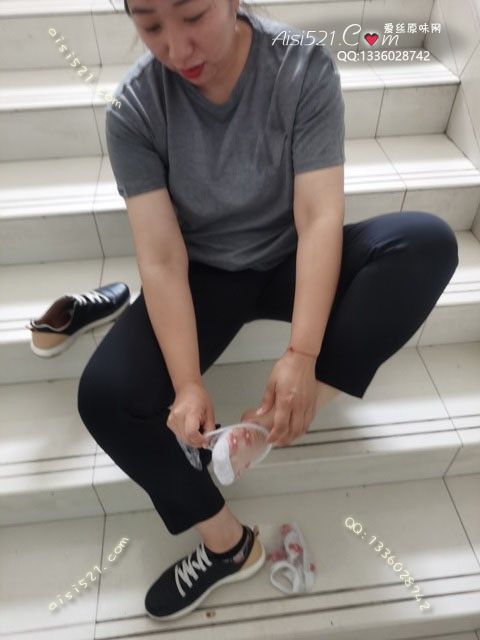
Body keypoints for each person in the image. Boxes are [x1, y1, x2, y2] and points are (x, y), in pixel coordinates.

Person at [77, 0, 459, 621]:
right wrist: (187, 383)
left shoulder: (300, 67)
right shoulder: (135, 108)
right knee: (103, 396)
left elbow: (319, 217)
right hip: (205, 274)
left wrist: (303, 355)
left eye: (192, 16)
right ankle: (228, 547)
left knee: (426, 243)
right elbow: (163, 259)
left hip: (290, 253)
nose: (176, 48)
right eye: (150, 26)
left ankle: (280, 416)